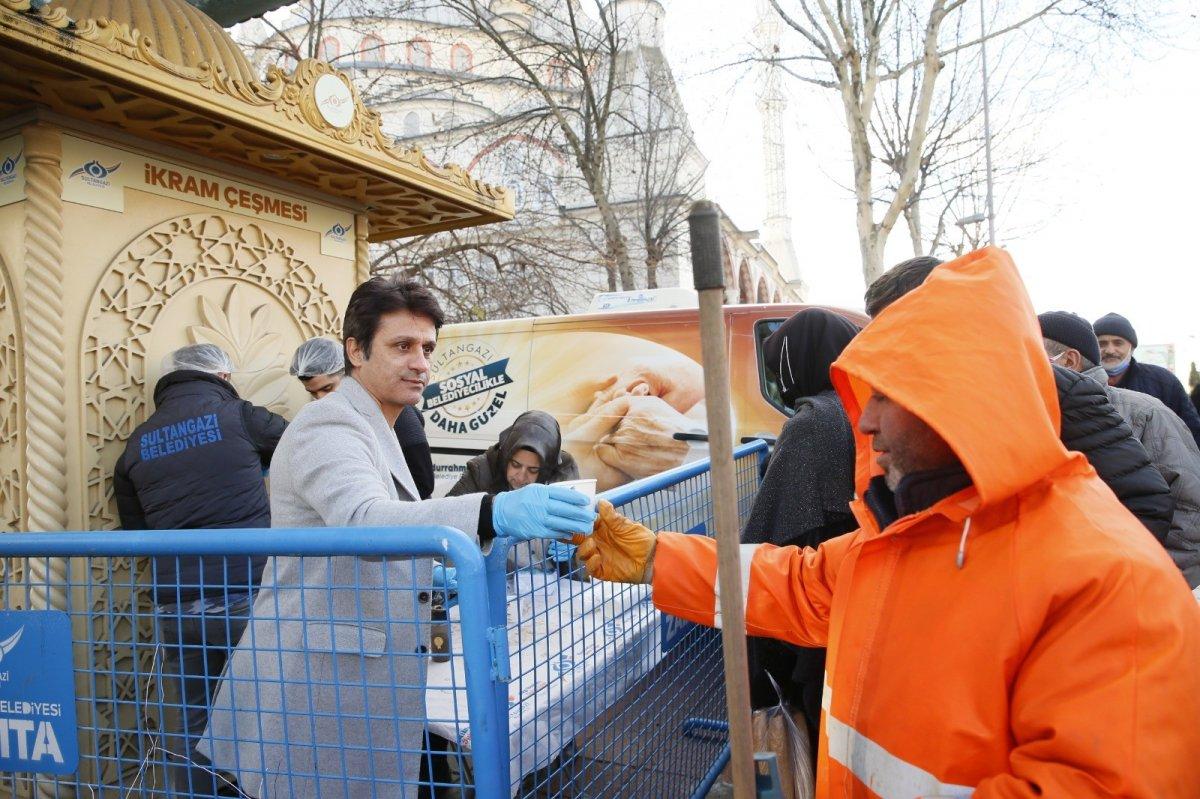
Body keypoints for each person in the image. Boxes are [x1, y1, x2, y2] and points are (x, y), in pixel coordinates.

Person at [576, 248, 1200, 797]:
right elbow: (796, 582)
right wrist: (654, 557)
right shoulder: (916, 532)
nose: (865, 423)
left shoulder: (1107, 581)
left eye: (884, 396)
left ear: (949, 401)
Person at [201, 277, 595, 798]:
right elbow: (365, 519)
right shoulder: (330, 425)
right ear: (355, 350)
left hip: (350, 671)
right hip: (314, 684)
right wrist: (491, 511)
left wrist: (430, 569)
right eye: (402, 346)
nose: (420, 362)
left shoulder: (380, 423)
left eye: (427, 348)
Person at [866, 255, 1174, 539]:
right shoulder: (902, 401)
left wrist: (1038, 574)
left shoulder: (1051, 388)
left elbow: (1143, 506)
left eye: (897, 325)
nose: (887, 343)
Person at [112, 343, 287, 798]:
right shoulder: (240, 417)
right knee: (267, 713)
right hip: (244, 592)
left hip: (177, 604)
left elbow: (138, 533)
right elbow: (303, 448)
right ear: (223, 378)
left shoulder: (138, 442)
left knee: (194, 723)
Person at [742, 308, 859, 749]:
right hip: (846, 583)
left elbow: (768, 529)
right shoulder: (853, 406)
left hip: (811, 590)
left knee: (808, 716)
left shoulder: (813, 421)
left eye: (780, 372)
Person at [1040, 311, 1200, 588]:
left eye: (1030, 351)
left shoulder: (1146, 413)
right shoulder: (1029, 416)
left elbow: (1190, 513)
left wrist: (1148, 587)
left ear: (1069, 360)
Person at [291, 335, 435, 499]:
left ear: (347, 373)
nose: (321, 398)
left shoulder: (396, 412)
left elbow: (423, 482)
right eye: (314, 393)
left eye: (327, 388)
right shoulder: (336, 419)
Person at [1093, 312, 1200, 446]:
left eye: (1118, 343)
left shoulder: (1164, 382)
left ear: (1131, 347)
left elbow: (1191, 431)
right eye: (1102, 344)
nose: (1109, 350)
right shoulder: (1083, 384)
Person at [447, 410, 579, 496]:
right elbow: (444, 515)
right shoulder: (481, 471)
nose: (521, 477)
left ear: (546, 468)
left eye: (532, 470)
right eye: (515, 465)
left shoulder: (563, 468)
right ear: (505, 456)